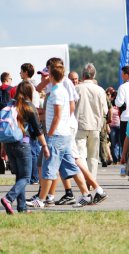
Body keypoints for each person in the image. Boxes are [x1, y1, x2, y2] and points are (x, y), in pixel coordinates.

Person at [27, 62, 92, 208]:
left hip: (56, 135)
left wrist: (49, 135)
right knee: (72, 167)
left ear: (51, 75)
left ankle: (42, 199)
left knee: (48, 168)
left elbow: (56, 116)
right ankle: (86, 194)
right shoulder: (59, 89)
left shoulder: (57, 92)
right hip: (64, 134)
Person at [0, 81, 49, 214]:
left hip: (9, 144)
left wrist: (3, 147)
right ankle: (8, 198)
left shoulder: (10, 105)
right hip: (23, 144)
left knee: (19, 176)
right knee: (26, 177)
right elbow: (38, 130)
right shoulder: (28, 107)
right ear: (29, 92)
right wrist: (44, 146)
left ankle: (22, 208)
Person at [75, 63, 108, 180]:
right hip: (95, 126)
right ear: (94, 75)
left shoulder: (77, 88)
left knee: (80, 155)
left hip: (79, 125)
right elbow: (105, 110)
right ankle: (91, 179)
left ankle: (84, 179)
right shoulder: (100, 90)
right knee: (93, 156)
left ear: (82, 75)